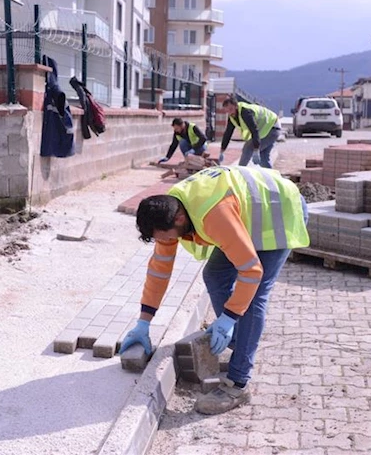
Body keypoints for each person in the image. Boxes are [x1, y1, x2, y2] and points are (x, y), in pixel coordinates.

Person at [119, 165, 310, 415]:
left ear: (178, 219)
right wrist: (144, 322)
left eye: (166, 237)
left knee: (252, 298)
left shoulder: (212, 215)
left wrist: (229, 317)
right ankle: (241, 344)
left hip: (276, 211)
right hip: (244, 215)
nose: (167, 242)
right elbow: (159, 270)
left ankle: (238, 384)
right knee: (215, 274)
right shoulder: (171, 210)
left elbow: (251, 271)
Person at [217, 98, 281, 169]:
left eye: (231, 109)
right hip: (270, 128)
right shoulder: (232, 117)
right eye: (227, 111)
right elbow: (228, 133)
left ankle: (239, 172)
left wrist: (256, 148)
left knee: (248, 148)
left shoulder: (245, 112)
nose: (230, 113)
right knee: (263, 158)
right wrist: (222, 150)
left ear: (236, 106)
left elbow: (254, 130)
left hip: (272, 128)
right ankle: (271, 178)